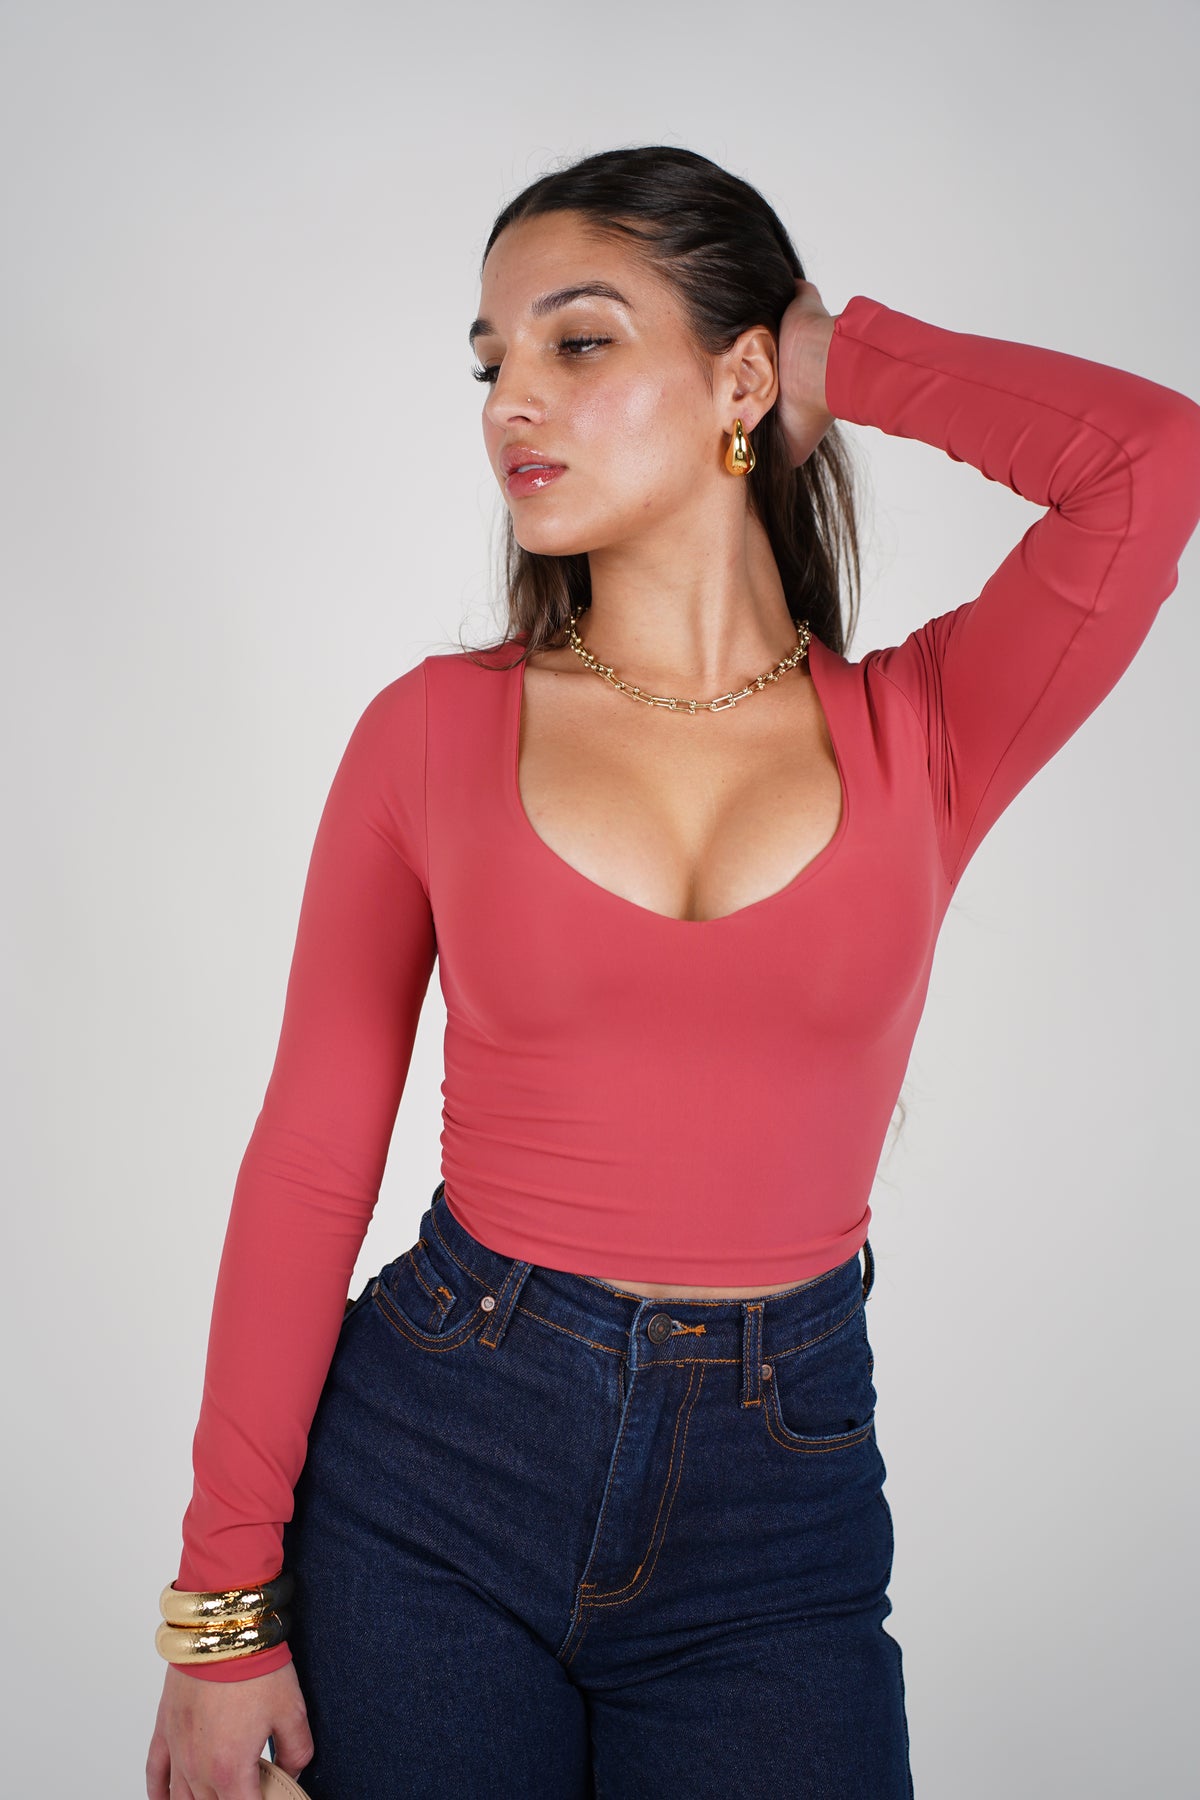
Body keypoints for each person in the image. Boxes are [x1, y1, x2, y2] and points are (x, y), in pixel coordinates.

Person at [145, 144, 1200, 1800]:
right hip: (434, 1464)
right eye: (490, 362)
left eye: (578, 342)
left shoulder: (925, 730)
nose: (512, 401)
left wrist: (838, 358)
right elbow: (311, 1157)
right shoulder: (431, 734)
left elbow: (1148, 460)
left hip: (778, 1515)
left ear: (743, 381)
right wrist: (221, 1613)